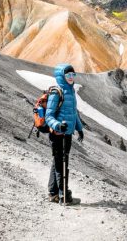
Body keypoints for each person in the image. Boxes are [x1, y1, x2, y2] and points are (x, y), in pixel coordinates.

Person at [45, 63, 84, 203]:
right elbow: (48, 116)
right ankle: (64, 196)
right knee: (62, 163)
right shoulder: (57, 92)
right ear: (62, 76)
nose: (71, 77)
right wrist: (58, 126)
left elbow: (73, 113)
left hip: (67, 133)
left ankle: (53, 193)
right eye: (68, 75)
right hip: (57, 134)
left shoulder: (71, 91)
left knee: (58, 161)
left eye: (73, 74)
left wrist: (79, 129)